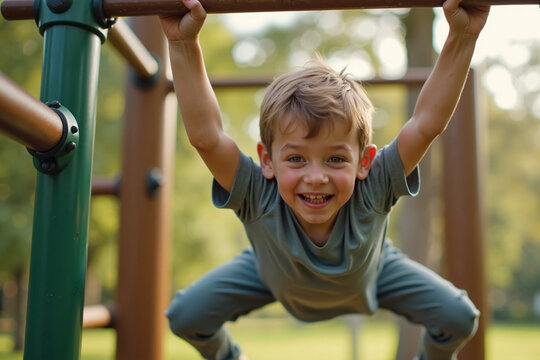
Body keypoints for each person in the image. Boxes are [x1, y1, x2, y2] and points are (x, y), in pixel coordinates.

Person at [160, 0, 489, 359]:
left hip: (374, 272)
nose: (315, 177)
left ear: (364, 162)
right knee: (184, 316)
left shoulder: (373, 188)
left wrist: (463, 35)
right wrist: (182, 44)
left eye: (335, 159)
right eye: (297, 158)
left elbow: (426, 123)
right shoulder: (257, 194)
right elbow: (206, 137)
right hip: (269, 273)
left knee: (459, 317)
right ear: (267, 161)